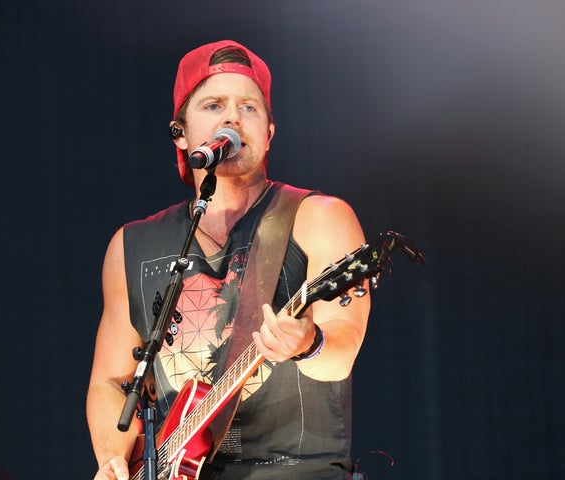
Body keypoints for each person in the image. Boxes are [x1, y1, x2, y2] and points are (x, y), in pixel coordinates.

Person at [87, 39, 371, 480]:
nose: (232, 118)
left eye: (249, 107)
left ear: (269, 131)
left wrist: (307, 344)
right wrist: (112, 458)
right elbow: (111, 381)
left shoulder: (320, 218)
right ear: (180, 133)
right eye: (214, 104)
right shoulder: (131, 244)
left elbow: (342, 350)